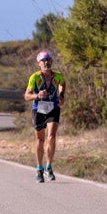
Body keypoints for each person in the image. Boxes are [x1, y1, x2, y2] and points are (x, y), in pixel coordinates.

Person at [24, 50, 65, 182]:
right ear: (39, 63)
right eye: (43, 60)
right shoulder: (35, 77)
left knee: (52, 136)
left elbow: (62, 84)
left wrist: (61, 95)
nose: (46, 62)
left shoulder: (57, 76)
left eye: (48, 60)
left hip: (53, 108)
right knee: (40, 140)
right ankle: (39, 168)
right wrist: (37, 95)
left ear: (51, 61)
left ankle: (49, 166)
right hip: (39, 109)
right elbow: (26, 96)